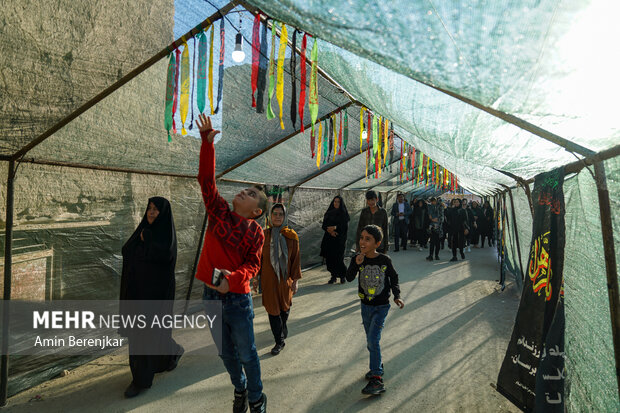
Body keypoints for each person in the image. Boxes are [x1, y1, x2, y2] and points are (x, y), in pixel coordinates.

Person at [194, 114, 268, 413]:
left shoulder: (256, 231)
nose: (244, 192)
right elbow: (206, 182)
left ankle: (256, 398)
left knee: (248, 354)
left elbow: (253, 266)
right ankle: (239, 389)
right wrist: (207, 145)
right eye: (245, 190)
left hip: (237, 299)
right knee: (226, 354)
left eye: (251, 194)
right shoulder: (219, 213)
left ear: (257, 211)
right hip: (210, 295)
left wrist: (233, 279)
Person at [120, 197, 184, 398]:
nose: (151, 212)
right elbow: (126, 250)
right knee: (143, 334)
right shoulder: (141, 232)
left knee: (147, 334)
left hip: (156, 295)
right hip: (137, 293)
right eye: (149, 208)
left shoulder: (164, 237)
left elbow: (165, 257)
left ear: (163, 214)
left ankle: (140, 380)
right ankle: (171, 353)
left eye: (156, 210)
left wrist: (148, 239)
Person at [346, 225, 404, 395]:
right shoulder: (357, 258)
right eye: (361, 237)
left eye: (368, 239)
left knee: (373, 340)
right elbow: (348, 278)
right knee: (370, 341)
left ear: (377, 243)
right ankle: (376, 365)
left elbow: (394, 277)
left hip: (381, 307)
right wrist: (355, 265)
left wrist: (397, 295)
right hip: (365, 306)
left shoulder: (384, 260)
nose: (362, 241)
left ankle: (377, 379)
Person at [259, 204, 301, 356]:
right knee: (273, 310)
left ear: (285, 217)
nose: (277, 217)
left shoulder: (292, 236)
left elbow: (296, 259)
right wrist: (254, 279)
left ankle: (283, 326)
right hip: (268, 280)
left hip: (285, 280)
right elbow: (258, 259)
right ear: (270, 216)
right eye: (274, 213)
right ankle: (279, 341)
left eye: (280, 214)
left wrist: (295, 281)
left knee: (285, 307)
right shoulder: (263, 235)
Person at [320, 195, 350, 284]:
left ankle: (342, 276)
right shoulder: (329, 213)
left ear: (341, 203)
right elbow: (324, 225)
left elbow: (344, 227)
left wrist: (335, 227)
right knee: (330, 259)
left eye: (338, 202)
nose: (336, 203)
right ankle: (333, 276)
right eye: (335, 201)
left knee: (339, 259)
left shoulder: (343, 213)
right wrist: (330, 231)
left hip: (339, 240)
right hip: (329, 240)